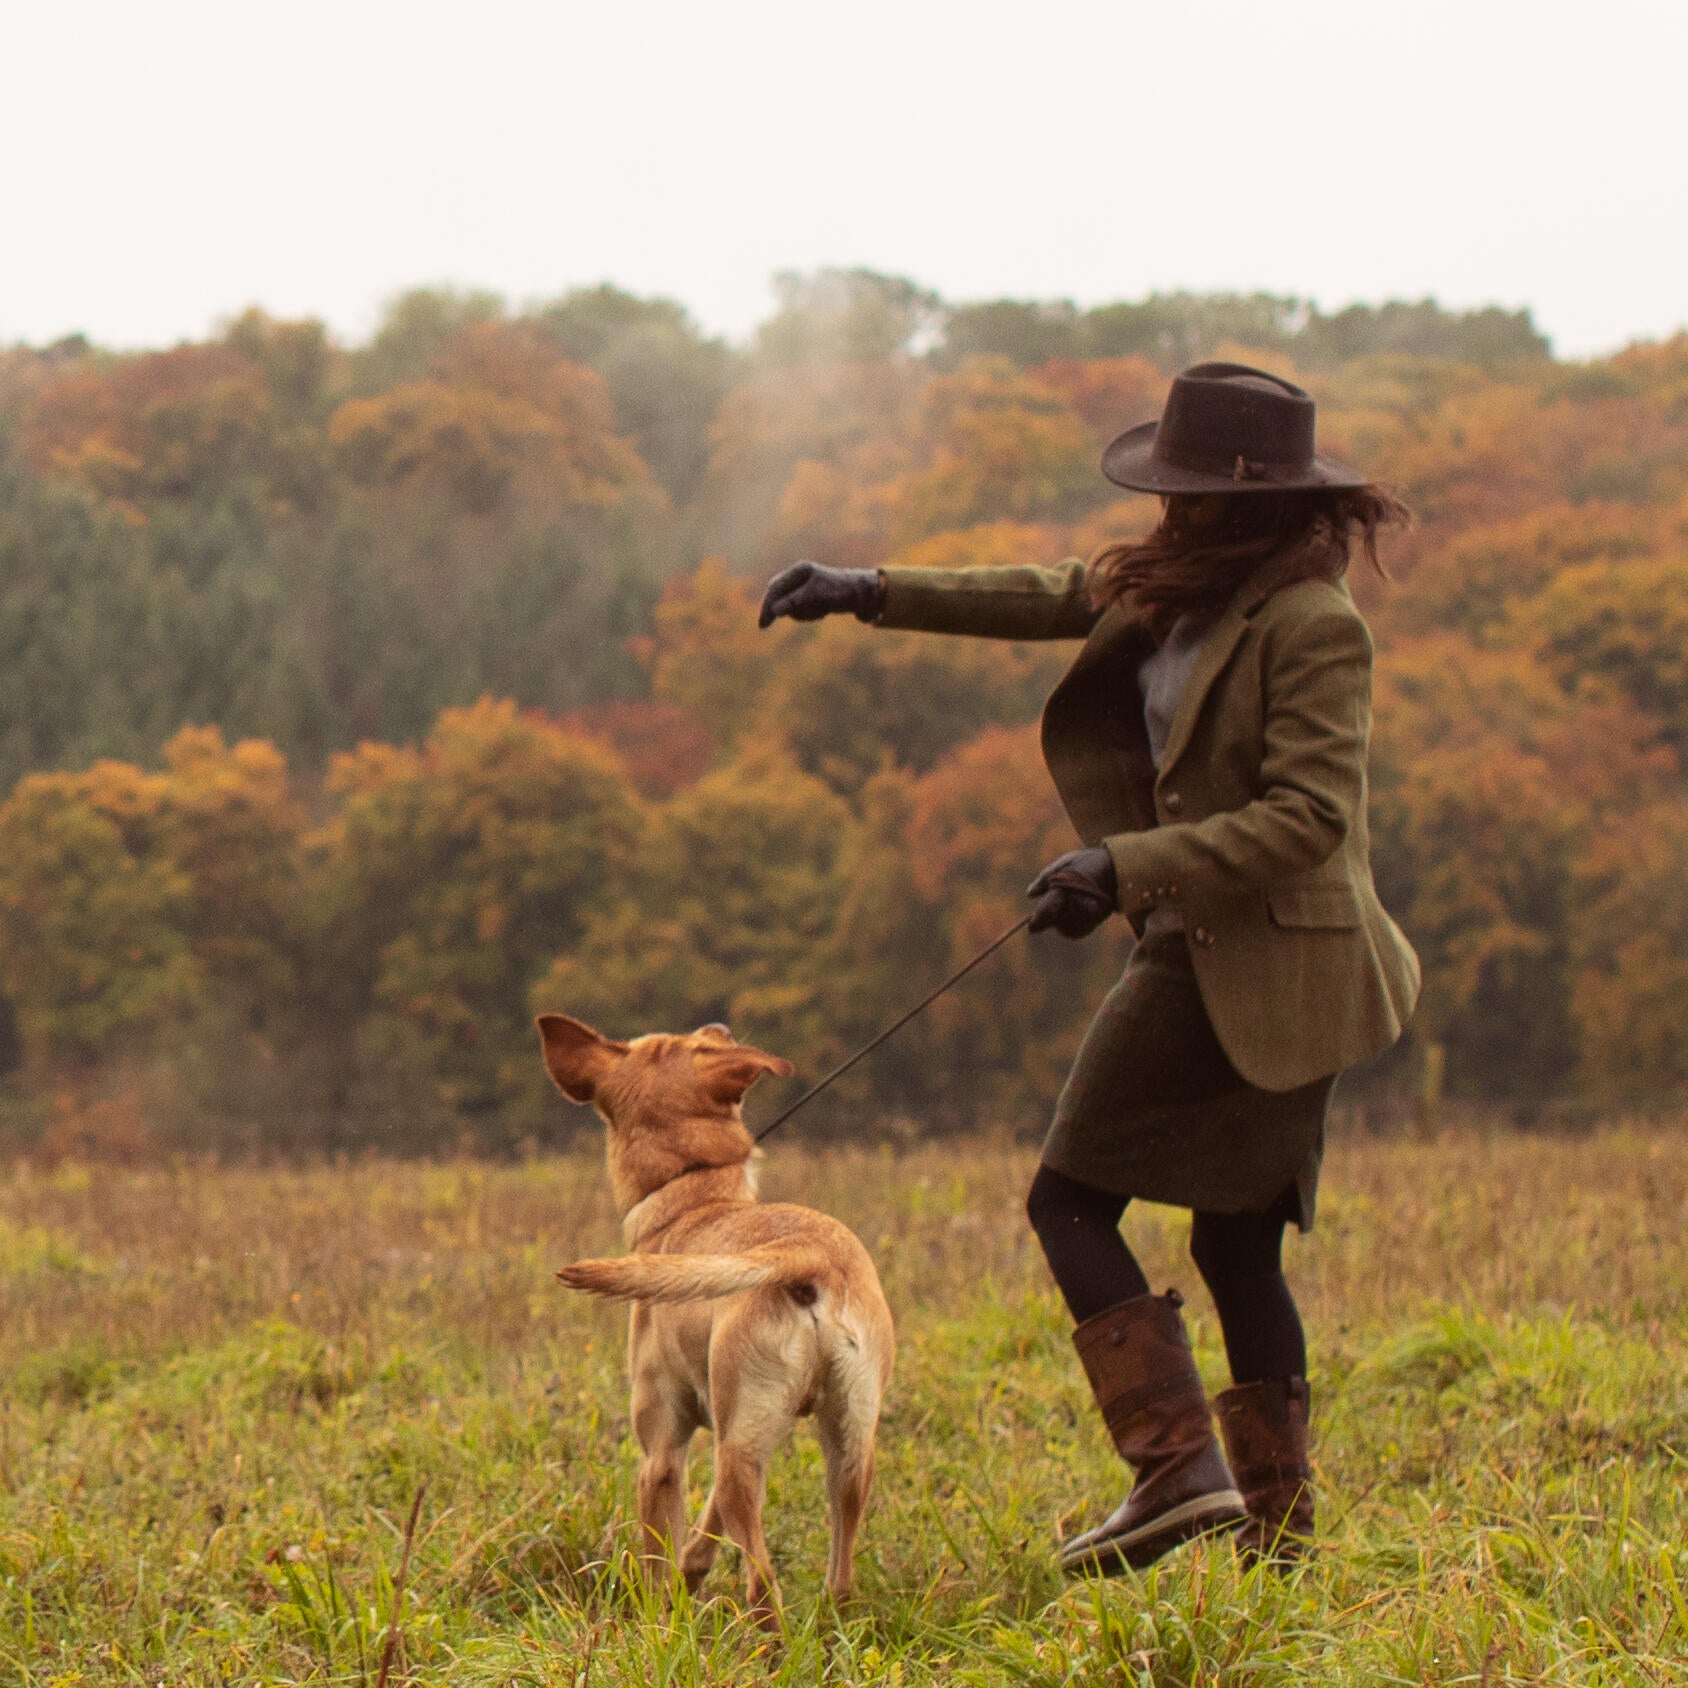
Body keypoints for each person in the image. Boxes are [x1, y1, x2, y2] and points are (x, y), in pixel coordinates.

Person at [758, 362, 1421, 1572]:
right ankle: (1277, 1551)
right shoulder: (1181, 585)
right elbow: (1051, 591)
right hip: (1194, 932)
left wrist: (1120, 864)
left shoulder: (1313, 626)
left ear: (1257, 502)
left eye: (1188, 495)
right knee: (1232, 1247)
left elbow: (1308, 819)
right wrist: (865, 590)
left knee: (1070, 1199)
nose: (1165, 515)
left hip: (1277, 965)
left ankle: (1174, 1474)